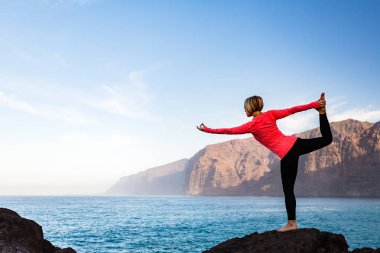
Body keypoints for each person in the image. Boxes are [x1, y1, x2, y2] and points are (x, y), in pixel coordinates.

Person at [197, 93, 333, 232]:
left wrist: (207, 130)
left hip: (287, 155)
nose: (244, 110)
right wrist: (316, 105)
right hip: (296, 144)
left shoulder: (252, 125)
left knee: (288, 190)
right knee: (327, 139)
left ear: (250, 107)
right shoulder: (271, 114)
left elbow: (228, 131)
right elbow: (293, 109)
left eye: (245, 108)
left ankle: (291, 224)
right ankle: (322, 113)